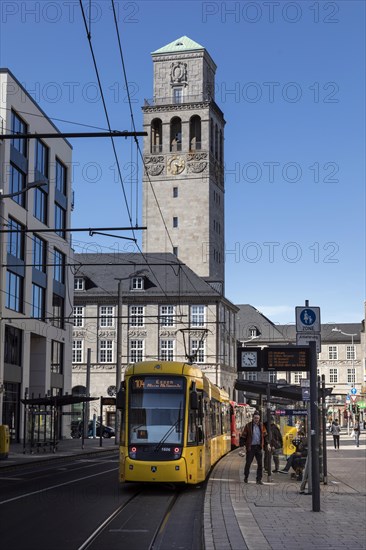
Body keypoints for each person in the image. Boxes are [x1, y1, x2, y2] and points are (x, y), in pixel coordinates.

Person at [241, 411, 268, 485]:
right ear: (253, 418)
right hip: (251, 447)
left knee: (260, 464)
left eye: (258, 418)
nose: (256, 419)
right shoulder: (248, 426)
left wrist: (267, 444)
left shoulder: (262, 426)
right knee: (248, 463)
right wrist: (242, 445)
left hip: (258, 447)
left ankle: (259, 479)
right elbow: (243, 436)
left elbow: (265, 436)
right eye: (255, 418)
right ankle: (246, 477)